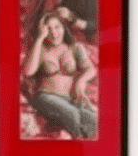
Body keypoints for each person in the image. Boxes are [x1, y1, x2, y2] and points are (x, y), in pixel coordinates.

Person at [22, 11, 97, 140]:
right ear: (43, 31)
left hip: (69, 99)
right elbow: (28, 72)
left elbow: (91, 69)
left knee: (92, 119)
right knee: (72, 114)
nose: (54, 33)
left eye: (57, 27)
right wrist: (40, 39)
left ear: (63, 27)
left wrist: (81, 81)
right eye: (49, 29)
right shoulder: (41, 50)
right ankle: (81, 148)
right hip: (45, 97)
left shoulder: (75, 48)